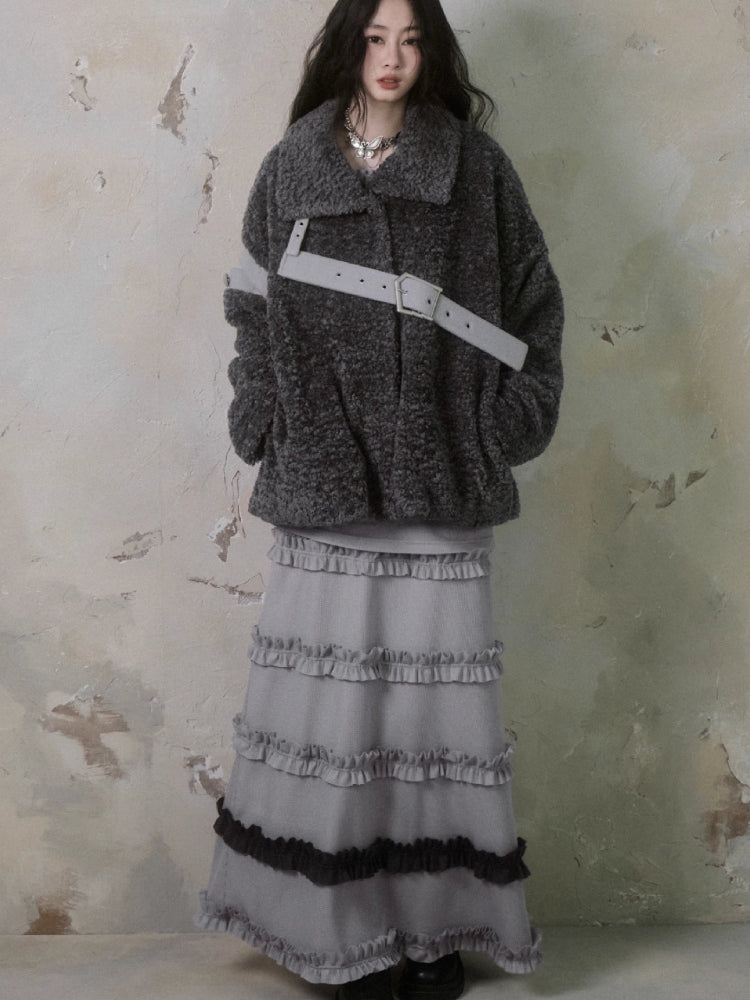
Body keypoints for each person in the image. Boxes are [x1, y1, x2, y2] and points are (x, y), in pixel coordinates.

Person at [196, 1, 564, 998]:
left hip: (440, 478)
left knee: (429, 724)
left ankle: (433, 931)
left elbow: (536, 304)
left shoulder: (477, 170)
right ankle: (340, 933)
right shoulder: (292, 167)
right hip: (324, 475)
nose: (392, 58)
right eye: (374, 37)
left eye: (410, 39)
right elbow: (251, 305)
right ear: (347, 44)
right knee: (337, 722)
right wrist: (264, 410)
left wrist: (504, 424)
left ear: (430, 50)